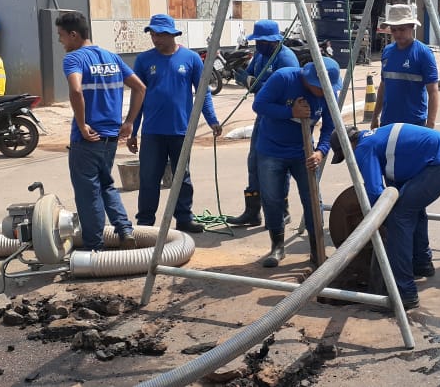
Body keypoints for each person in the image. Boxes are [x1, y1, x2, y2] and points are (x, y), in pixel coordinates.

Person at [330, 123, 440, 309]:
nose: (350, 159)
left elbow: (375, 192)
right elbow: (393, 181)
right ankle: (421, 263)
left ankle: (405, 293)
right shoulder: (375, 138)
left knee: (399, 217)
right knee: (412, 208)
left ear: (349, 145)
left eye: (346, 155)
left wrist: (376, 223)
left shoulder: (363, 147)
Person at [56, 10, 145, 251]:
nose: (60, 41)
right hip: (110, 137)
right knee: (106, 184)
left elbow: (75, 91)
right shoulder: (112, 57)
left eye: (61, 35)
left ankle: (95, 247)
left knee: (88, 192)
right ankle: (124, 229)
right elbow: (140, 87)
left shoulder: (74, 59)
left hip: (87, 139)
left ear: (74, 35)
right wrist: (128, 123)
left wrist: (83, 124)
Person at [127, 14, 221, 234]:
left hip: (181, 131)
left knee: (182, 177)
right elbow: (137, 98)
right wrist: (133, 128)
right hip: (152, 132)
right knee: (149, 178)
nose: (155, 39)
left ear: (172, 34)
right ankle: (145, 222)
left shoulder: (191, 59)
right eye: (152, 34)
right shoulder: (143, 60)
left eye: (160, 34)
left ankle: (184, 218)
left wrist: (212, 120)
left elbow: (202, 93)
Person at [252, 59, 341, 268]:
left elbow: (329, 127)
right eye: (319, 89)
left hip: (304, 153)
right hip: (271, 150)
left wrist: (320, 151)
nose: (322, 93)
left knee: (312, 200)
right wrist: (290, 112)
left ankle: (316, 249)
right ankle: (277, 246)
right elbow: (259, 105)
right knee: (272, 199)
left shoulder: (328, 94)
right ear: (310, 81)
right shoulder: (284, 78)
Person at [224, 19, 301, 228]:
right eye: (256, 40)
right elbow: (251, 74)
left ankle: (281, 210)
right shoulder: (260, 55)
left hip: (282, 118)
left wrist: (253, 84)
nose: (258, 44)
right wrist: (244, 77)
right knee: (255, 161)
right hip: (264, 116)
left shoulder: (286, 59)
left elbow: (287, 89)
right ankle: (253, 211)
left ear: (274, 41)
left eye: (262, 41)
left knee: (277, 164)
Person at [371, 4, 439, 129]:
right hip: (388, 123)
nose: (397, 34)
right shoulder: (387, 52)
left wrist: (430, 125)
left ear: (412, 27)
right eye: (394, 30)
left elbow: (433, 91)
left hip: (414, 125)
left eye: (402, 29)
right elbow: (383, 85)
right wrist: (375, 116)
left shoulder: (423, 53)